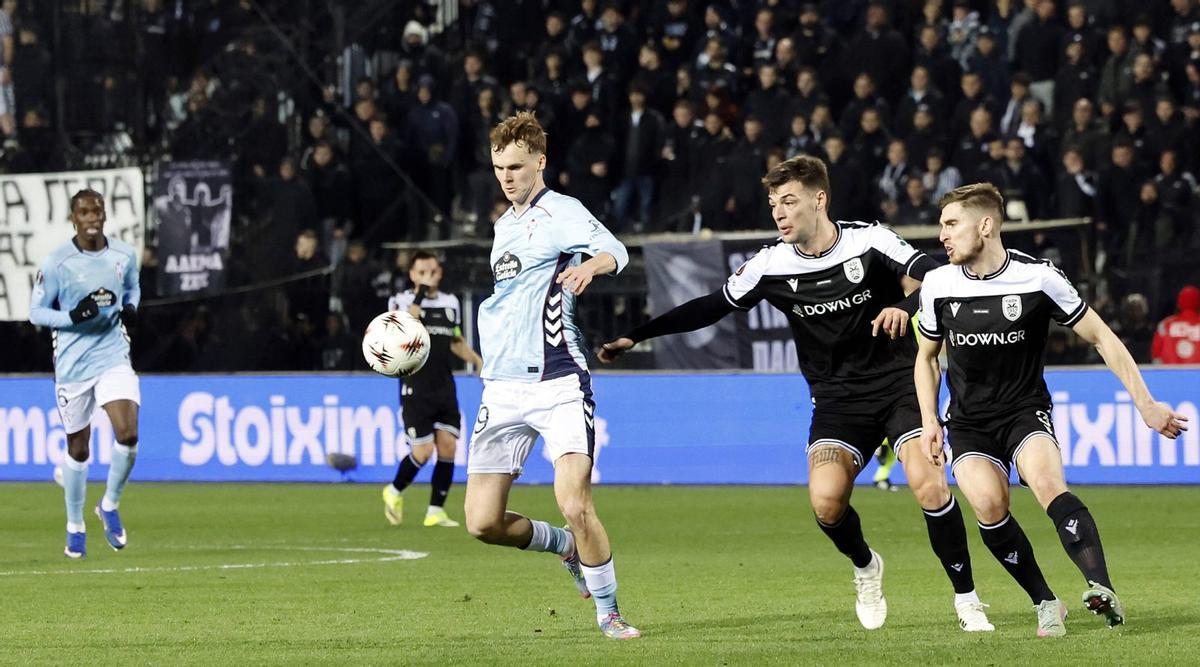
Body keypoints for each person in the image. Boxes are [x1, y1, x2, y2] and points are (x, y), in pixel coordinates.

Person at [599, 156, 993, 632]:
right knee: (826, 503)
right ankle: (866, 566)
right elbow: (709, 307)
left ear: (819, 199)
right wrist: (637, 336)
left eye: (789, 201)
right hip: (836, 402)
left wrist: (901, 306)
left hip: (900, 388)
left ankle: (967, 600)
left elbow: (937, 276)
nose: (780, 213)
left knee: (929, 485)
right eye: (773, 204)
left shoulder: (870, 240)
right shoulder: (771, 264)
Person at [914, 183, 1188, 636]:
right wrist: (928, 419)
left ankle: (1102, 589)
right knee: (987, 504)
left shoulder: (1038, 277)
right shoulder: (939, 285)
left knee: (1046, 483)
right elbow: (925, 357)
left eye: (951, 224)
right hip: (968, 421)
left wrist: (1145, 404)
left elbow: (1102, 336)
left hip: (1024, 411)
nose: (942, 235)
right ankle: (1045, 602)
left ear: (985, 225)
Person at [464, 112, 638, 640]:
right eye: (499, 168)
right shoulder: (503, 225)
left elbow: (618, 251)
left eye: (516, 166)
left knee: (574, 503)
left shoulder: (562, 212)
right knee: (482, 523)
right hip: (502, 386)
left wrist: (591, 266)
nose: (507, 177)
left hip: (558, 379)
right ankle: (563, 547)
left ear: (540, 162)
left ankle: (608, 610)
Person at [29, 190, 141, 558]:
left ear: (105, 215)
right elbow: (37, 312)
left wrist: (131, 306)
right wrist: (72, 317)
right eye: (84, 211)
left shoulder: (124, 254)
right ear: (73, 218)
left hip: (112, 353)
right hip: (73, 362)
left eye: (97, 210)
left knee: (127, 433)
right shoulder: (58, 263)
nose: (92, 216)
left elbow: (133, 286)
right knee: (78, 449)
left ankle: (109, 504)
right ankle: (74, 523)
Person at [382, 251, 483, 528]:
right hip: (415, 384)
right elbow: (407, 329)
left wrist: (477, 362)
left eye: (433, 271)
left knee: (448, 446)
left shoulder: (451, 302)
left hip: (444, 384)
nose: (429, 276)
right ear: (412, 275)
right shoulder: (400, 301)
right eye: (422, 272)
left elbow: (455, 340)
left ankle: (435, 511)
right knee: (423, 452)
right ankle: (394, 490)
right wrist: (421, 293)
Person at [1151, 285, 1200, 364]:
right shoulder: (1165, 325)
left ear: (1179, 303)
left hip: (1170, 374)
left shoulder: (1165, 325)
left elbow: (1156, 356)